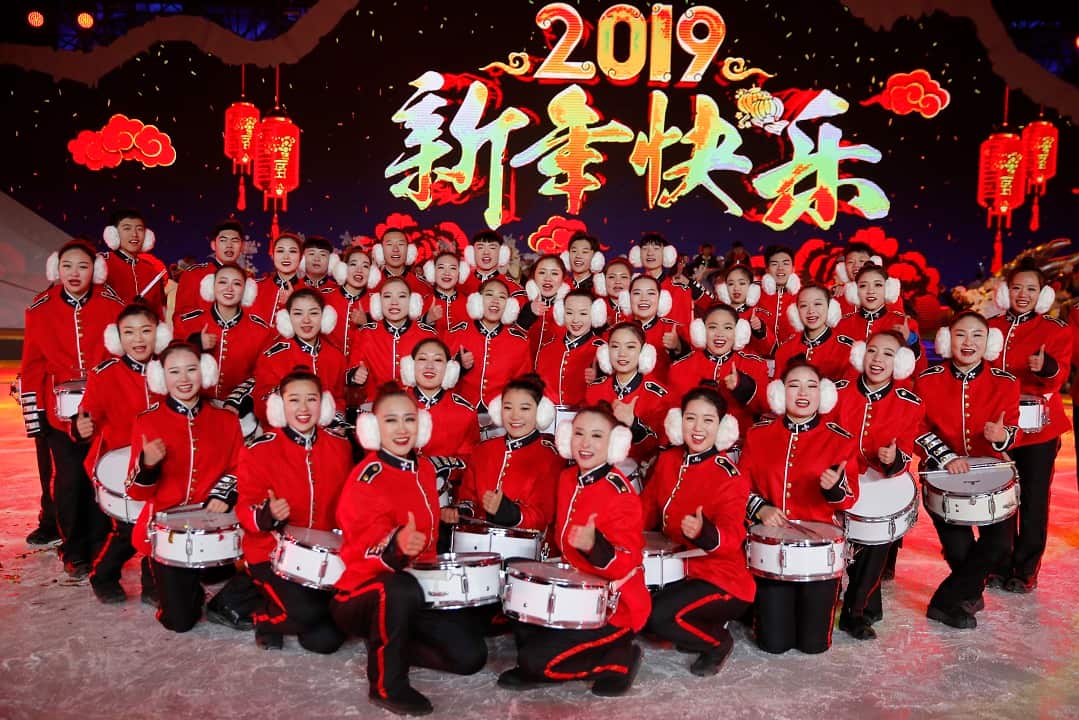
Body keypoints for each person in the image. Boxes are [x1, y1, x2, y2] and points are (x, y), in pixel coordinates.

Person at [332, 384, 489, 716]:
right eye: (391, 421)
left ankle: (391, 641)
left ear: (421, 425)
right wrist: (396, 546)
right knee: (399, 588)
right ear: (374, 428)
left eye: (409, 420)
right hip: (362, 592)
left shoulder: (425, 468)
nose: (401, 429)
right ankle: (387, 685)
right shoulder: (367, 476)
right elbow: (361, 546)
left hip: (416, 592)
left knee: (470, 657)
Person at [497, 405, 648, 696]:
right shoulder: (568, 479)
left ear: (613, 444)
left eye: (596, 436)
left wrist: (595, 547)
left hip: (613, 608)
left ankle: (620, 659)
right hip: (572, 593)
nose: (585, 443)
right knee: (520, 599)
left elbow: (628, 561)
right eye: (578, 434)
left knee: (533, 661)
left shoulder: (622, 493)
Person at [126, 342, 245, 633]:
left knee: (244, 563)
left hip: (213, 523)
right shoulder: (147, 421)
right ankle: (157, 572)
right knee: (179, 621)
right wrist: (148, 464)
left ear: (203, 372)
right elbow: (135, 491)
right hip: (168, 532)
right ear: (160, 377)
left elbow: (241, 467)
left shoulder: (226, 420)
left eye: (191, 369)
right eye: (174, 371)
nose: (183, 379)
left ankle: (217, 597)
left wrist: (222, 493)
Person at [20, 239, 122, 577]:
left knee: (100, 476)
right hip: (57, 412)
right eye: (67, 266)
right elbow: (32, 364)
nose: (75, 273)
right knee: (68, 480)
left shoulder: (112, 306)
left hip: (103, 407)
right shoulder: (39, 308)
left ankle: (100, 543)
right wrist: (34, 415)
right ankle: (74, 548)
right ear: (56, 270)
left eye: (83, 266)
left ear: (95, 270)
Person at [742, 361, 859, 654]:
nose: (803, 393)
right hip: (770, 548)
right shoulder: (758, 435)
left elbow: (849, 497)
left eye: (812, 386)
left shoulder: (839, 439)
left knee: (813, 645)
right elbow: (737, 488)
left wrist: (833, 487)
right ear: (781, 393)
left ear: (824, 395)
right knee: (774, 644)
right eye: (794, 385)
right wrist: (760, 508)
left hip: (817, 556)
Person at [915, 312, 1020, 628]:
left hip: (992, 475)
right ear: (948, 339)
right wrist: (945, 456)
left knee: (1000, 545)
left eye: (977, 335)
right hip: (942, 475)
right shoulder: (927, 379)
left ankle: (945, 602)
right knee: (960, 550)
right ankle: (964, 596)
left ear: (988, 342)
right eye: (961, 334)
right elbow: (915, 426)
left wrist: (1002, 436)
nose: (969, 342)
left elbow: (1014, 426)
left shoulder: (1006, 382)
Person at [640, 387, 753, 675]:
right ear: (679, 422)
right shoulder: (668, 460)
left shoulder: (731, 476)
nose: (698, 428)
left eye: (708, 420)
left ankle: (717, 642)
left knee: (657, 618)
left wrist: (706, 533)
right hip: (677, 571)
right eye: (691, 418)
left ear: (722, 427)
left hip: (722, 578)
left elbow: (732, 535)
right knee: (639, 611)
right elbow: (645, 510)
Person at [237, 370, 352, 652]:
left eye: (311, 400)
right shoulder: (258, 450)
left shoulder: (341, 446)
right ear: (279, 406)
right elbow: (243, 508)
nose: (303, 409)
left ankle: (283, 606)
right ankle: (263, 616)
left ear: (323, 405)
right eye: (294, 400)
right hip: (271, 553)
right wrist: (267, 514)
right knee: (307, 614)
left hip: (324, 558)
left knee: (326, 641)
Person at [75, 303, 170, 604]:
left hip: (163, 461)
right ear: (118, 338)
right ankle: (102, 574)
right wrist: (81, 426)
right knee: (128, 530)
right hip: (120, 466)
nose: (138, 338)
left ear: (160, 333)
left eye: (146, 330)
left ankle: (152, 580)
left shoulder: (170, 368)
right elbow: (84, 415)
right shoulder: (105, 374)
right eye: (129, 332)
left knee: (160, 523)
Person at [987, 261, 1072, 593]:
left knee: (1033, 499)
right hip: (997, 425)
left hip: (1039, 430)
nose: (1023, 295)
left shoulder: (1055, 329)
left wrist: (1045, 366)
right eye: (1017, 288)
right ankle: (998, 561)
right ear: (1007, 291)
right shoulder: (990, 325)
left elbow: (1060, 374)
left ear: (1042, 294)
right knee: (999, 497)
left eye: (1031, 289)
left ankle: (1024, 569)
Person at [833, 331, 924, 639]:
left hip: (878, 483)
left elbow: (907, 452)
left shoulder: (909, 403)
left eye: (887, 354)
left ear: (898, 362)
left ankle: (856, 611)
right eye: (872, 351)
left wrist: (893, 458)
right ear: (861, 355)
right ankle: (844, 598)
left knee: (874, 542)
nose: (877, 360)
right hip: (836, 478)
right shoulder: (838, 391)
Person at [443, 375, 564, 539]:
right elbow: (468, 498)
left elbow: (544, 517)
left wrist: (509, 512)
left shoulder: (550, 456)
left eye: (525, 408)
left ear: (541, 412)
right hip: (478, 544)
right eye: (508, 407)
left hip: (525, 550)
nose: (515, 416)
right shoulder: (483, 449)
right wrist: (459, 511)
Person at [173, 263, 271, 411]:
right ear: (211, 286)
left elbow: (263, 374)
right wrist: (195, 344)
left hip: (238, 409)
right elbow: (170, 363)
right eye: (222, 282)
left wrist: (237, 400)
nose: (229, 288)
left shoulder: (261, 330)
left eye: (237, 284)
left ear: (246, 291)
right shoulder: (188, 322)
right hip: (192, 405)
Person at [669, 305, 770, 440]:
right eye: (712, 327)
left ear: (739, 332)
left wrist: (743, 386)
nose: (719, 334)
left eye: (728, 328)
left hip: (740, 447)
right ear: (701, 331)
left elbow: (766, 408)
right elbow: (674, 417)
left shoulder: (754, 364)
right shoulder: (680, 368)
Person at [252, 289, 347, 425]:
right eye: (298, 313)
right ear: (286, 318)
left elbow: (338, 398)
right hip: (284, 435)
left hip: (325, 436)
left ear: (325, 317)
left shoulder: (336, 356)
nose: (306, 320)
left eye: (313, 313)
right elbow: (261, 407)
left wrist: (337, 421)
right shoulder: (272, 357)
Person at [585, 322, 673, 464]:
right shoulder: (595, 389)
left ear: (644, 353)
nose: (622, 353)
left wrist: (634, 424)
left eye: (630, 347)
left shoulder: (658, 395)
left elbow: (659, 447)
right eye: (615, 346)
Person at [347, 276, 438, 402]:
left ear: (412, 303)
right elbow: (349, 371)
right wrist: (355, 375)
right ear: (378, 303)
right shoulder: (365, 333)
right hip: (374, 405)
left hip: (416, 406)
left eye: (401, 296)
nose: (394, 302)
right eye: (387, 296)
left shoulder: (427, 335)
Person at [447, 278, 531, 411]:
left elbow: (523, 387)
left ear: (509, 306)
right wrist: (458, 366)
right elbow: (441, 380)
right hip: (461, 411)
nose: (495, 300)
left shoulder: (519, 342)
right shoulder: (457, 333)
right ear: (477, 301)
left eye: (502, 297)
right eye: (489, 294)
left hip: (500, 416)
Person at [399, 338, 479, 460]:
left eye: (437, 360)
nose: (429, 366)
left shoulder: (466, 413)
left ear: (450, 369)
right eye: (422, 359)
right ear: (409, 366)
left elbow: (468, 461)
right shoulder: (391, 404)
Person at [535, 291, 607, 407]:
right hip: (549, 419)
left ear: (595, 315)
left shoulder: (601, 349)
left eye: (583, 314)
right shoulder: (548, 348)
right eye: (569, 313)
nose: (575, 320)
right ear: (561, 314)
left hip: (585, 417)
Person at [616, 274, 688, 383]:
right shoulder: (617, 331)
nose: (644, 298)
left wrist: (678, 345)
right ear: (627, 299)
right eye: (637, 293)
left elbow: (689, 367)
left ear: (661, 299)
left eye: (650, 293)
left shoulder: (672, 329)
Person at [773, 284, 853, 382]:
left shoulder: (847, 350)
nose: (811, 311)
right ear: (795, 312)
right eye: (804, 306)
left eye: (817, 304)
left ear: (831, 308)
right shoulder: (785, 350)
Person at [173, 220, 246, 319]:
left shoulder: (248, 280)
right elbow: (181, 318)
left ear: (242, 246)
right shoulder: (193, 275)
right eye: (223, 240)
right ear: (213, 245)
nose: (229, 245)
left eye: (235, 240)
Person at [99, 209, 167, 316]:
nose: (134, 234)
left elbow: (159, 314)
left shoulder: (152, 272)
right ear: (113, 234)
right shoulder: (100, 264)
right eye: (127, 228)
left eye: (139, 229)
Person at [629, 232, 695, 326]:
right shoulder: (630, 288)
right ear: (638, 254)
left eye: (656, 248)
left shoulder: (679, 291)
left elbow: (683, 330)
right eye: (645, 249)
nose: (650, 253)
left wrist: (676, 340)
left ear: (666, 254)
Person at [517, 254, 571, 366]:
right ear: (533, 276)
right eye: (542, 272)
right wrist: (527, 314)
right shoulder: (518, 302)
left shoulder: (571, 308)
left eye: (554, 273)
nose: (548, 278)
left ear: (563, 279)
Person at [324, 246, 377, 357]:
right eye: (353, 264)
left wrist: (368, 322)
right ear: (343, 269)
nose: (359, 270)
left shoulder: (377, 302)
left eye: (365, 266)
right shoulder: (325, 297)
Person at [715, 264, 773, 357]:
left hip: (750, 366)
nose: (736, 288)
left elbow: (767, 349)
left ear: (751, 288)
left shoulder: (758, 312)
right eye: (731, 284)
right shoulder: (717, 312)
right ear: (724, 289)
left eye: (742, 283)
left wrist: (759, 330)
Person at [250, 232, 306, 323]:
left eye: (292, 251)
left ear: (300, 257)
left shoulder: (310, 293)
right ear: (273, 255)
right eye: (280, 251)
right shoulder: (254, 288)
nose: (286, 257)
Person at [461, 229, 526, 304]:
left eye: (492, 248)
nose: (486, 252)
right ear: (471, 252)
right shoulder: (459, 285)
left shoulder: (514, 289)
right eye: (480, 247)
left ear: (502, 253)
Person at [756, 245, 800, 352]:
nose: (780, 268)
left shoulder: (804, 295)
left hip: (794, 359)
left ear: (793, 268)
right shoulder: (754, 293)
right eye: (774, 264)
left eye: (785, 263)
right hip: (759, 360)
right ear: (767, 269)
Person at [419, 251, 471, 337]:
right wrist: (427, 319)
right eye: (441, 267)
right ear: (432, 272)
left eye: (453, 268)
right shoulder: (422, 302)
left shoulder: (469, 304)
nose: (447, 273)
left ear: (460, 273)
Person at [370, 228, 430, 295]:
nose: (395, 249)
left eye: (401, 244)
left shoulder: (422, 287)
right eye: (389, 244)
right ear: (380, 251)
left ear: (409, 250)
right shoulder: (370, 286)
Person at [593, 256, 633, 327]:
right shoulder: (596, 309)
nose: (617, 282)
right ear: (602, 281)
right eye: (612, 277)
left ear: (632, 281)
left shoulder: (639, 310)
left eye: (623, 277)